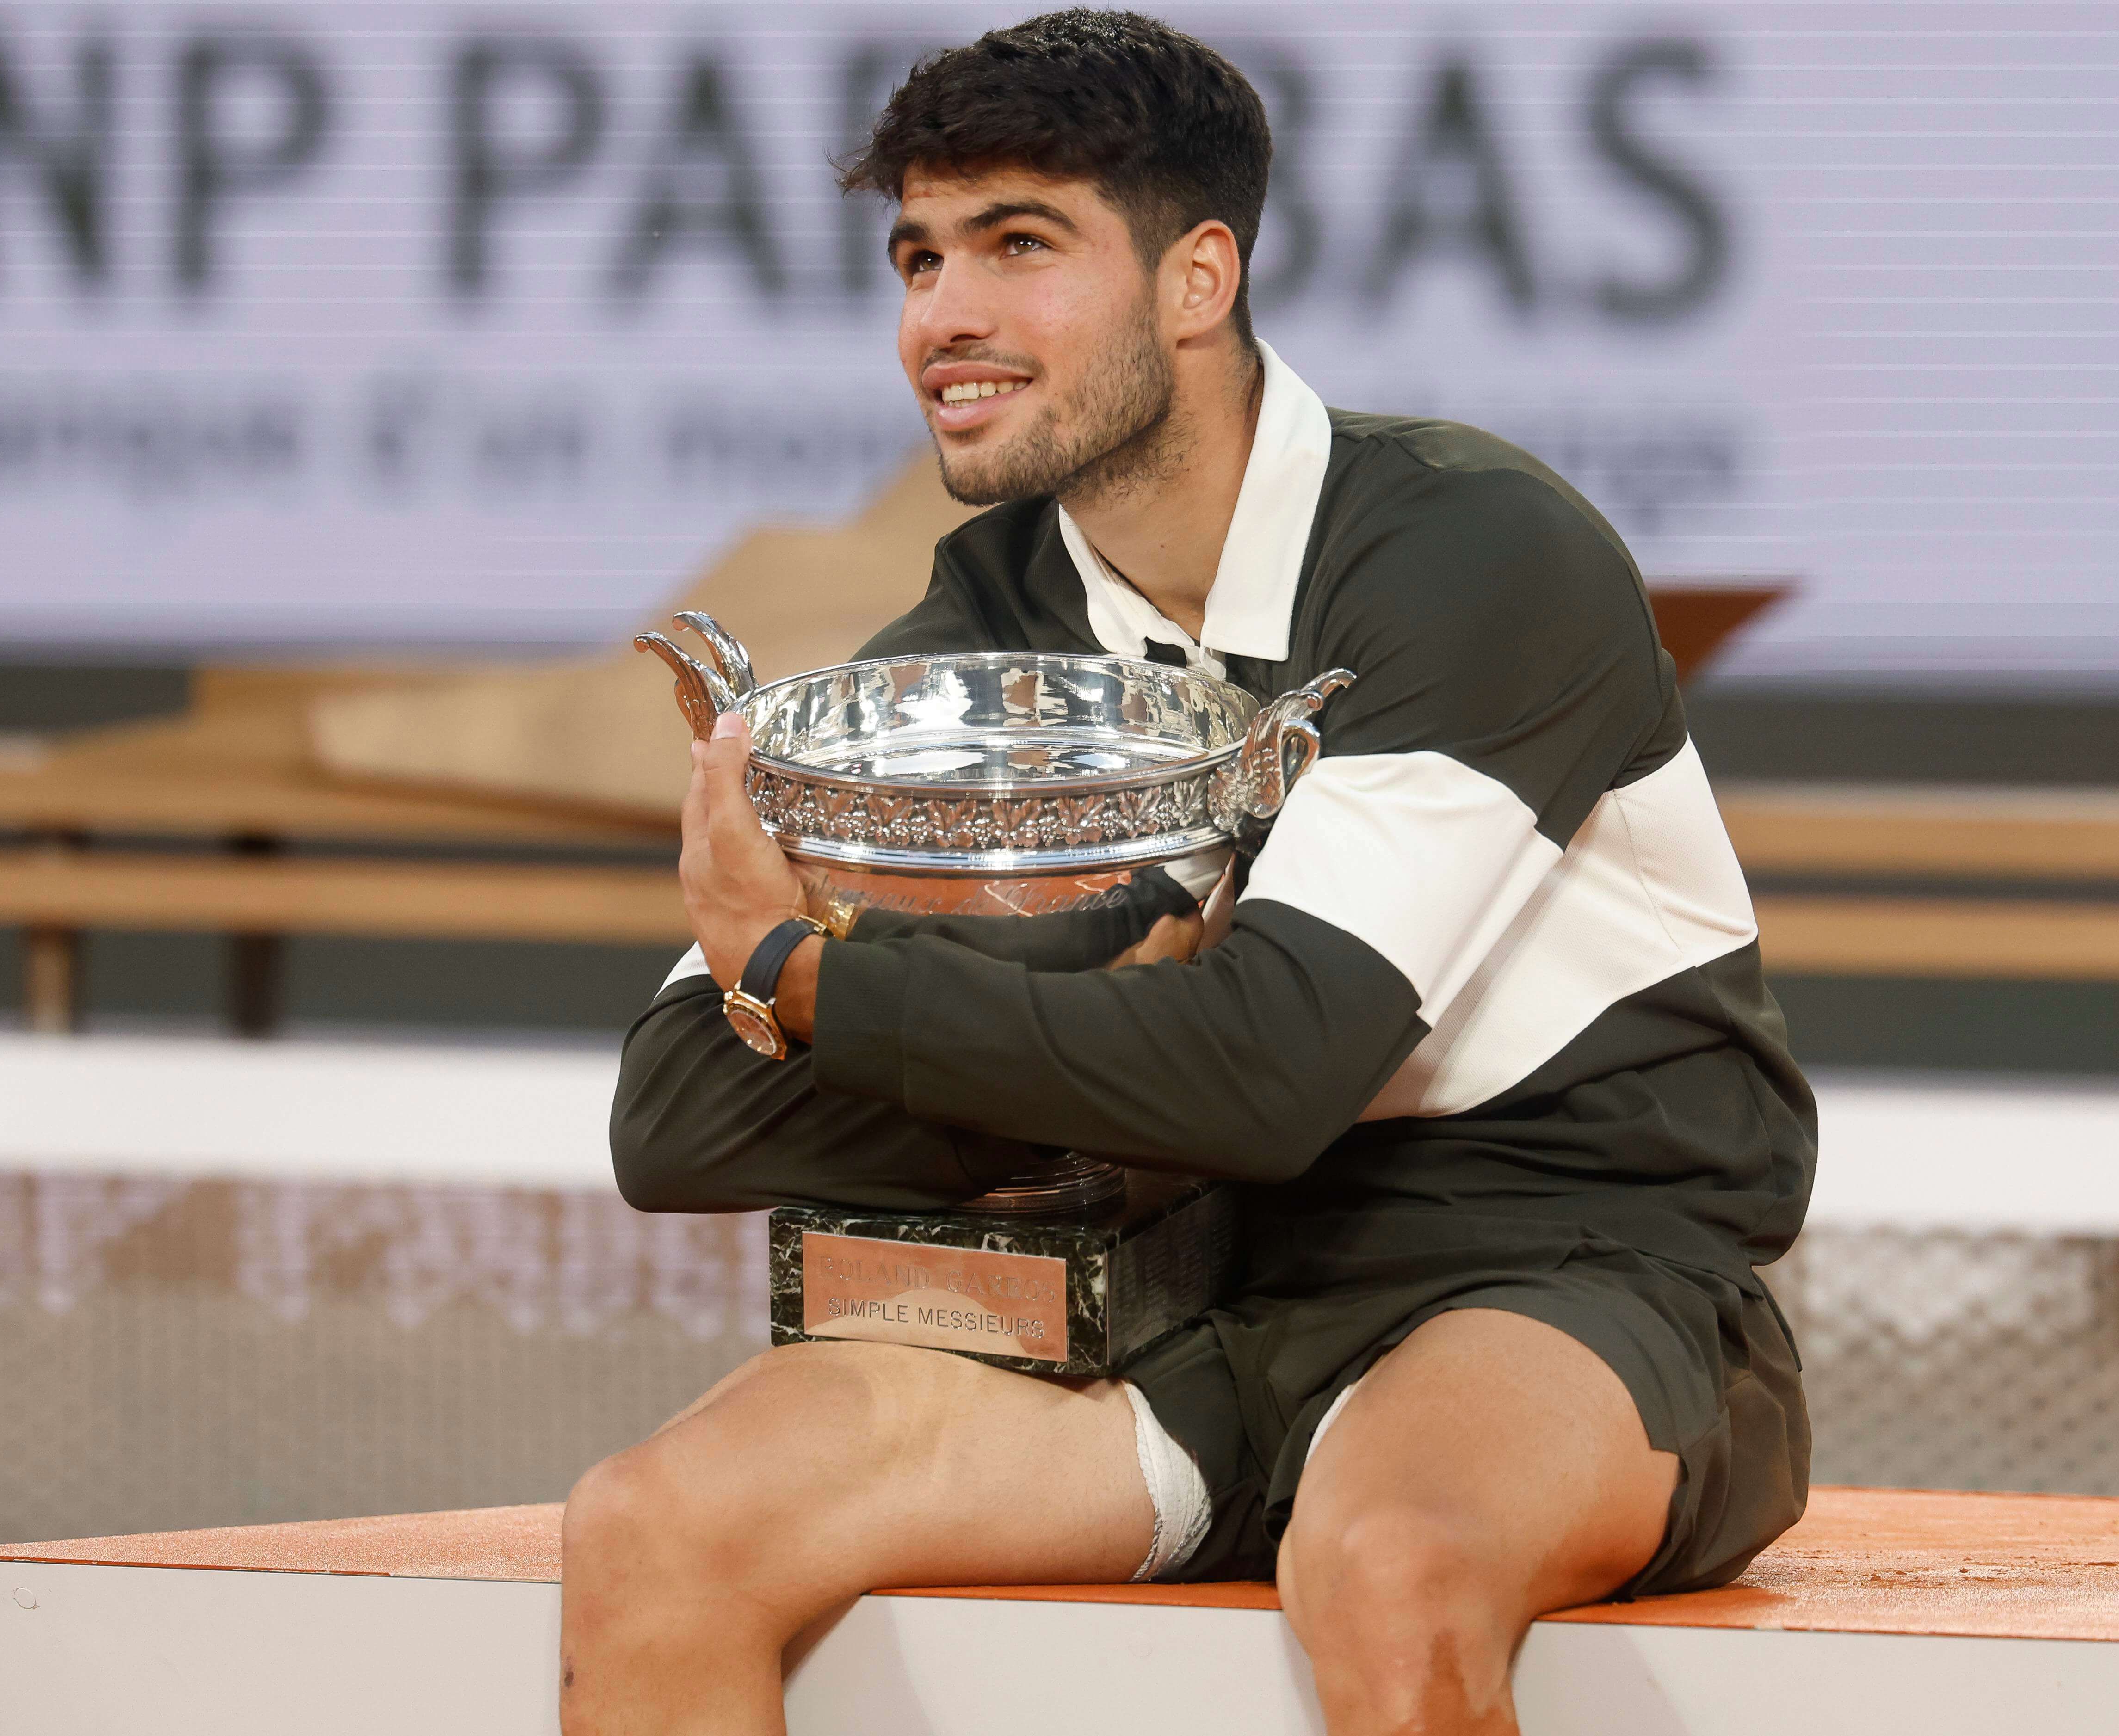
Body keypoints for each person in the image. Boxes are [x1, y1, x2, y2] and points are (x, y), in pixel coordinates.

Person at [559, 11, 1813, 1733]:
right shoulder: (989, 617)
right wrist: (1102, 1026)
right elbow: (675, 1118)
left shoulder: (1468, 552)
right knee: (651, 1532)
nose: (945, 316)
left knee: (1386, 1563)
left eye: (1020, 245)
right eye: (919, 256)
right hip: (1165, 1293)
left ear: (1197, 277)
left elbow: (1271, 1070)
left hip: (1555, 1265)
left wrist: (814, 982)